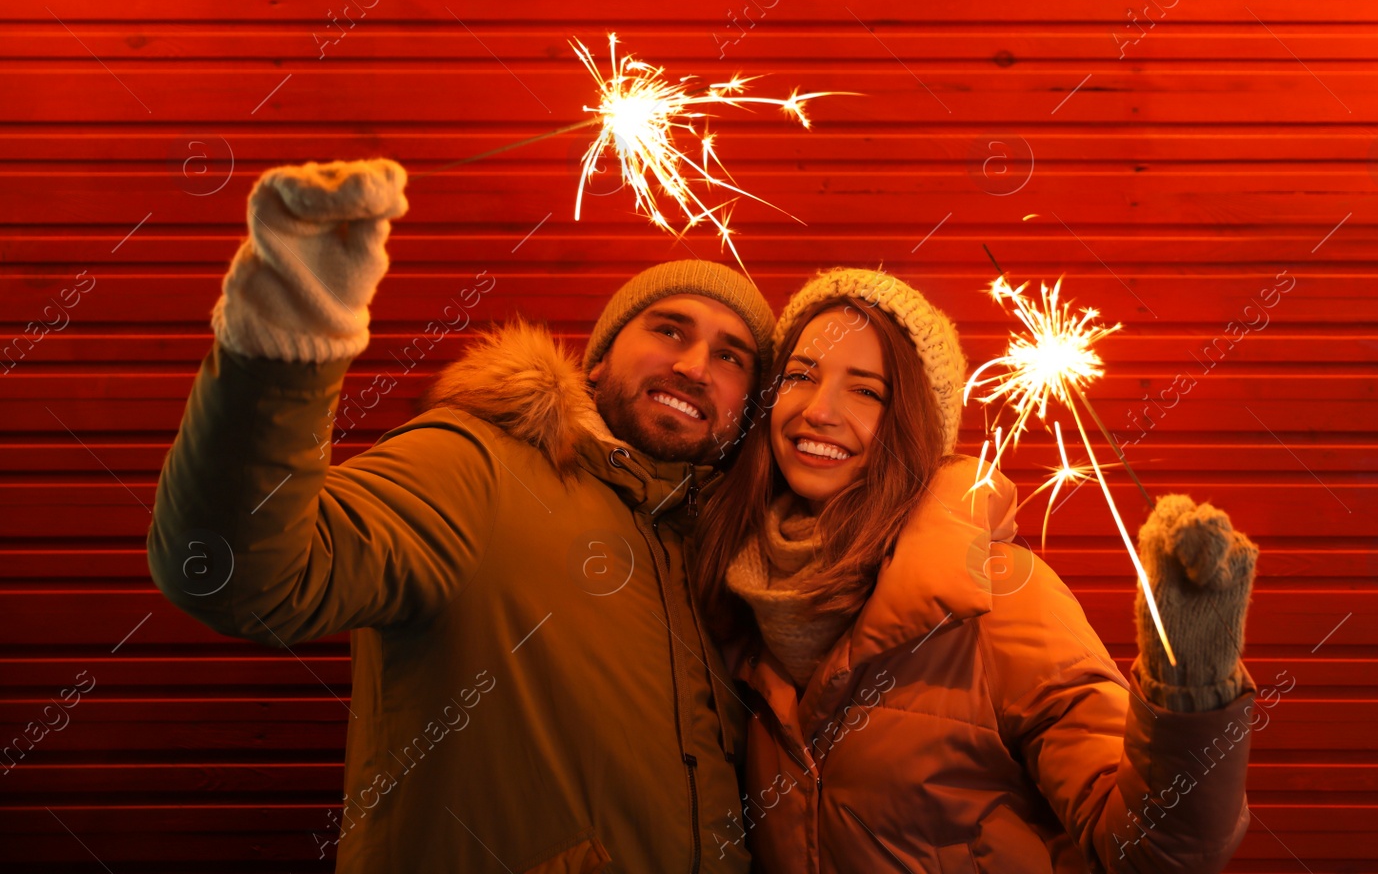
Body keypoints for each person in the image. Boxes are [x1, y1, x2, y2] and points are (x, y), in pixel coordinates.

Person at [146, 157, 773, 872]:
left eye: (732, 357)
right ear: (596, 361)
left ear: (747, 407)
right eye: (669, 330)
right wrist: (283, 344)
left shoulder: (724, 563)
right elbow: (235, 575)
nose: (696, 365)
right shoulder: (478, 469)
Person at [691, 267, 1262, 872]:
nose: (819, 410)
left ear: (916, 425)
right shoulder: (741, 588)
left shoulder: (1001, 595)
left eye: (866, 391)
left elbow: (1153, 851)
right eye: (801, 376)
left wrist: (1191, 690)